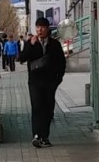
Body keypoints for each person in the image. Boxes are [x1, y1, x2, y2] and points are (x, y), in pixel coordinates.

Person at [19, 17, 66, 148]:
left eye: (42, 27)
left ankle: (44, 136)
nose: (39, 30)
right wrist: (31, 45)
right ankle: (36, 135)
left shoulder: (54, 44)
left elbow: (61, 62)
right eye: (38, 27)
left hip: (50, 81)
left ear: (47, 29)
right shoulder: (31, 43)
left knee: (48, 109)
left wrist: (58, 79)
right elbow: (21, 58)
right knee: (37, 107)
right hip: (34, 81)